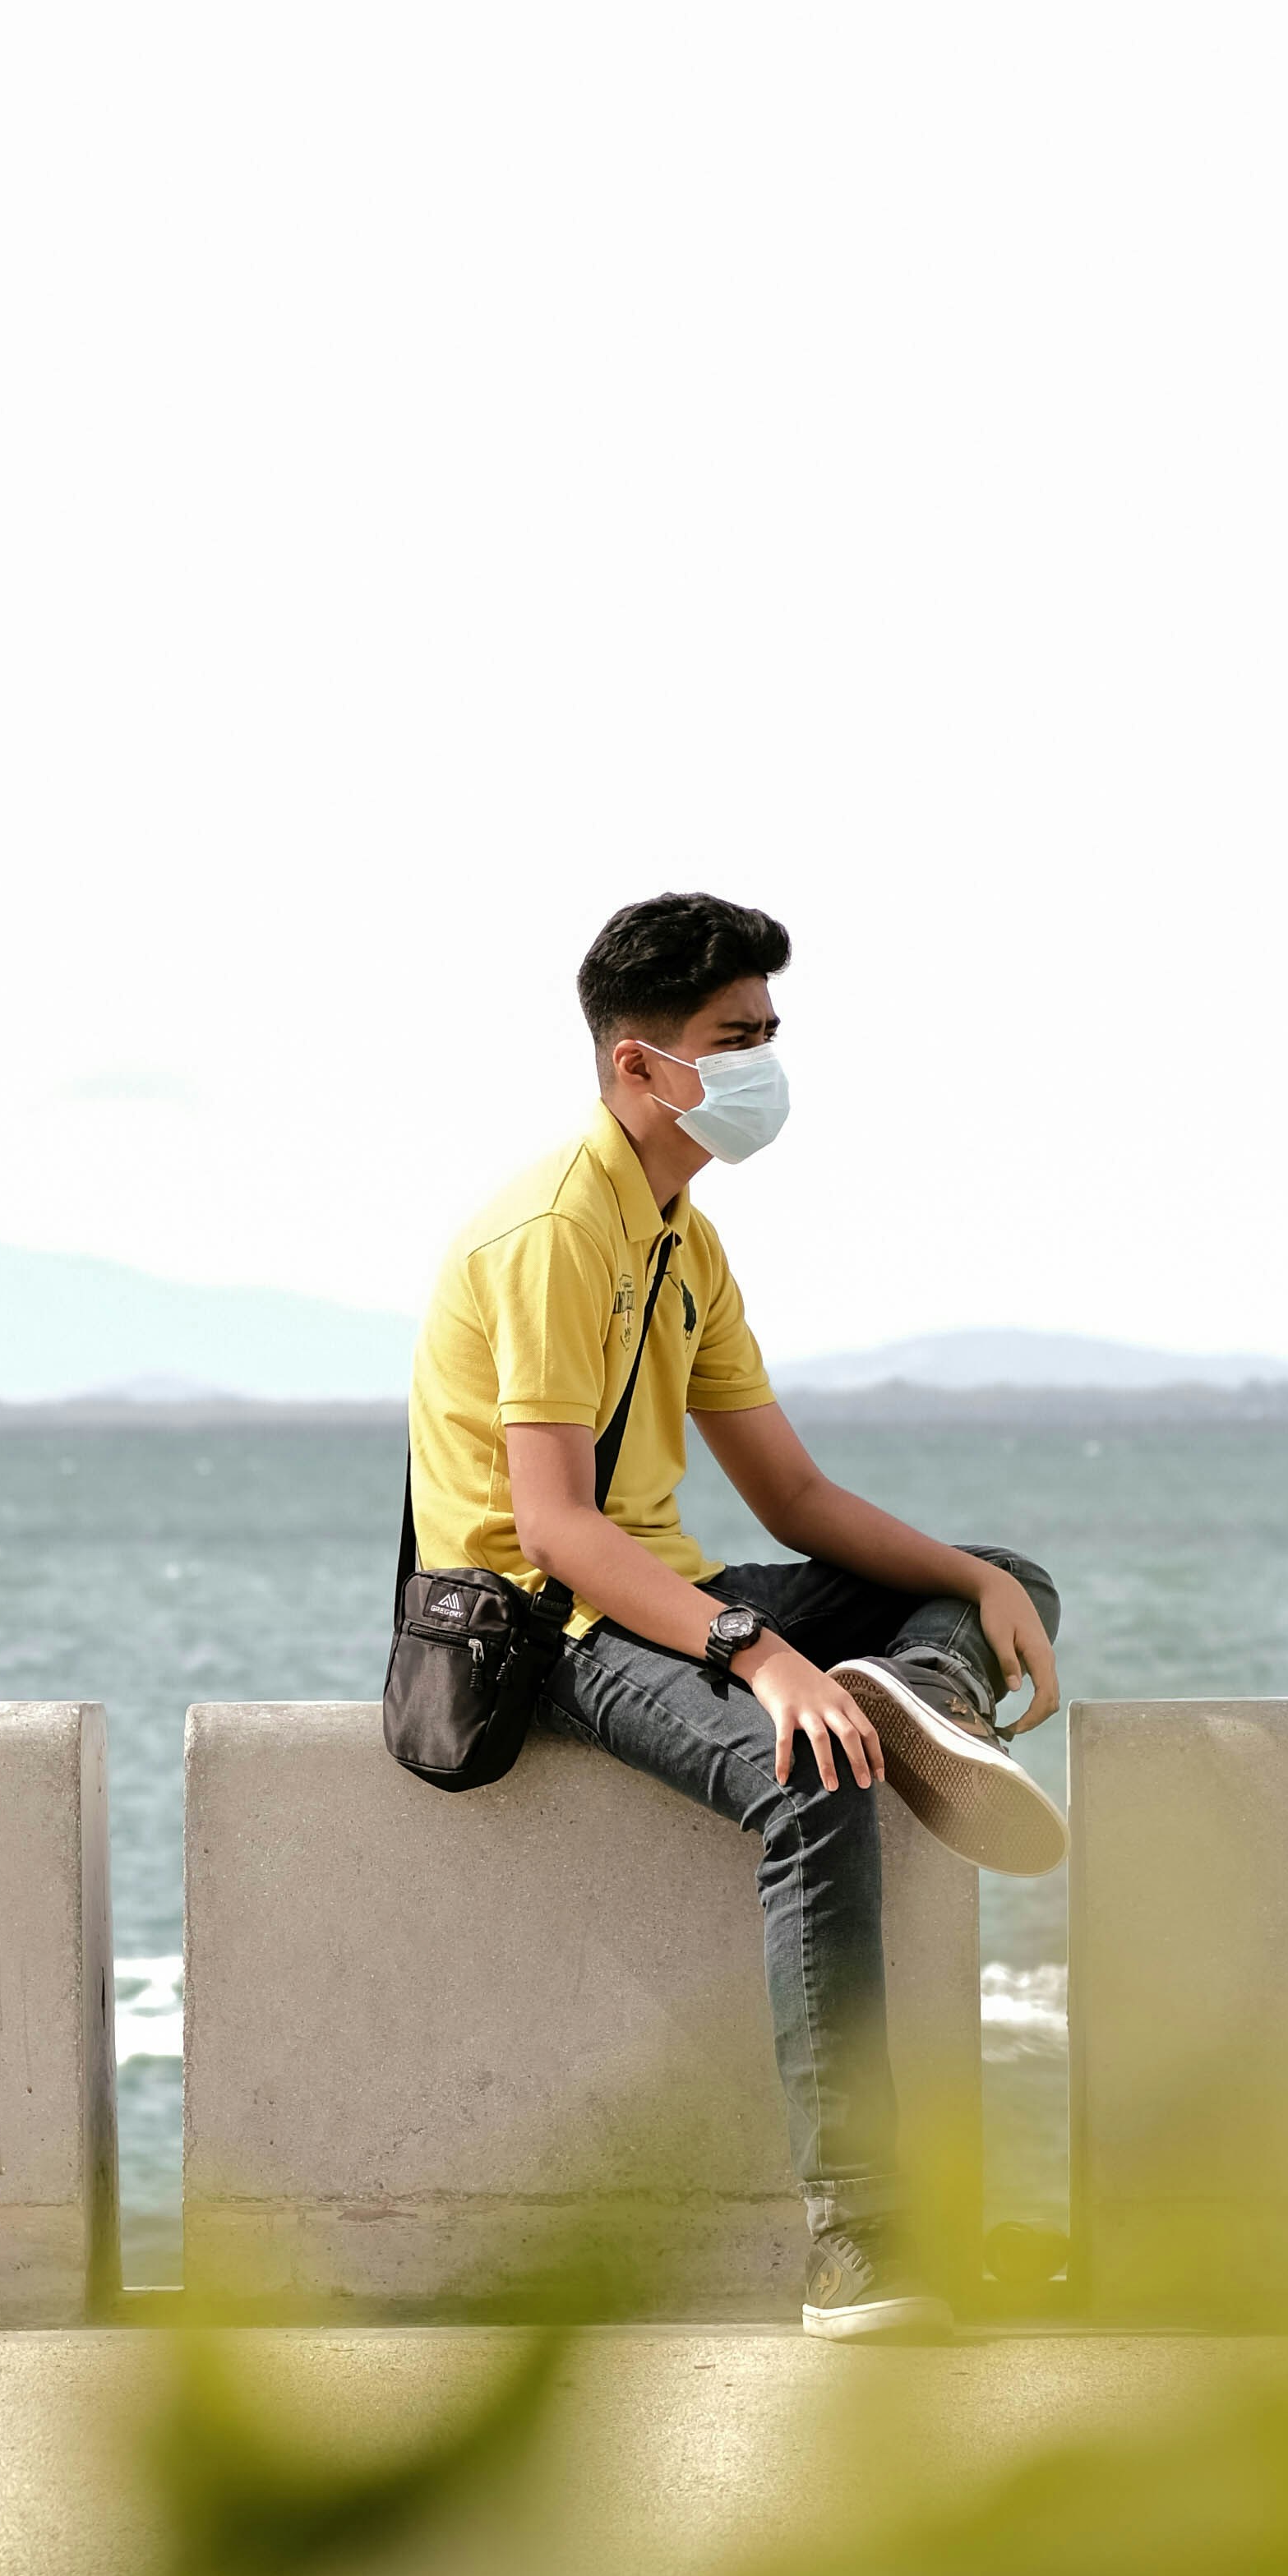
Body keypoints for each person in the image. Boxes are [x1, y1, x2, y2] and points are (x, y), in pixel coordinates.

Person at [408, 889, 1065, 2338]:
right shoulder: (554, 1231)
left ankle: (927, 1696)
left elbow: (795, 1496)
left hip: (660, 1587)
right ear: (639, 1064)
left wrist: (978, 1587)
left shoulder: (681, 1240)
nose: (765, 1063)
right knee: (811, 1774)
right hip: (546, 1623)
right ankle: (861, 2247)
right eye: (736, 1037)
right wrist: (757, 1656)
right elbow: (556, 1531)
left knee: (999, 1570)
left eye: (770, 1031)